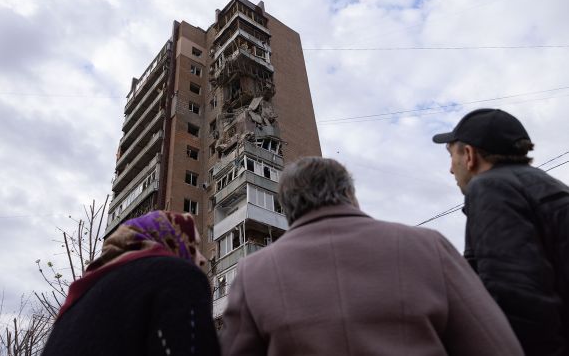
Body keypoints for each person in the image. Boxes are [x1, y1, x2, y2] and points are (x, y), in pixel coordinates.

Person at [220, 157, 522, 356]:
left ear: (285, 209)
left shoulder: (252, 272)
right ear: (351, 195)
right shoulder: (428, 246)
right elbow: (497, 346)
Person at [432, 108, 568, 355]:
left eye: (451, 155)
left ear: (470, 155)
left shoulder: (491, 187)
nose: (451, 169)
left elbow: (517, 298)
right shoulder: (551, 186)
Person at [42, 210, 220, 356]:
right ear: (171, 238)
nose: (201, 258)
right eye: (192, 244)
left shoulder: (79, 298)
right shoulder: (175, 275)